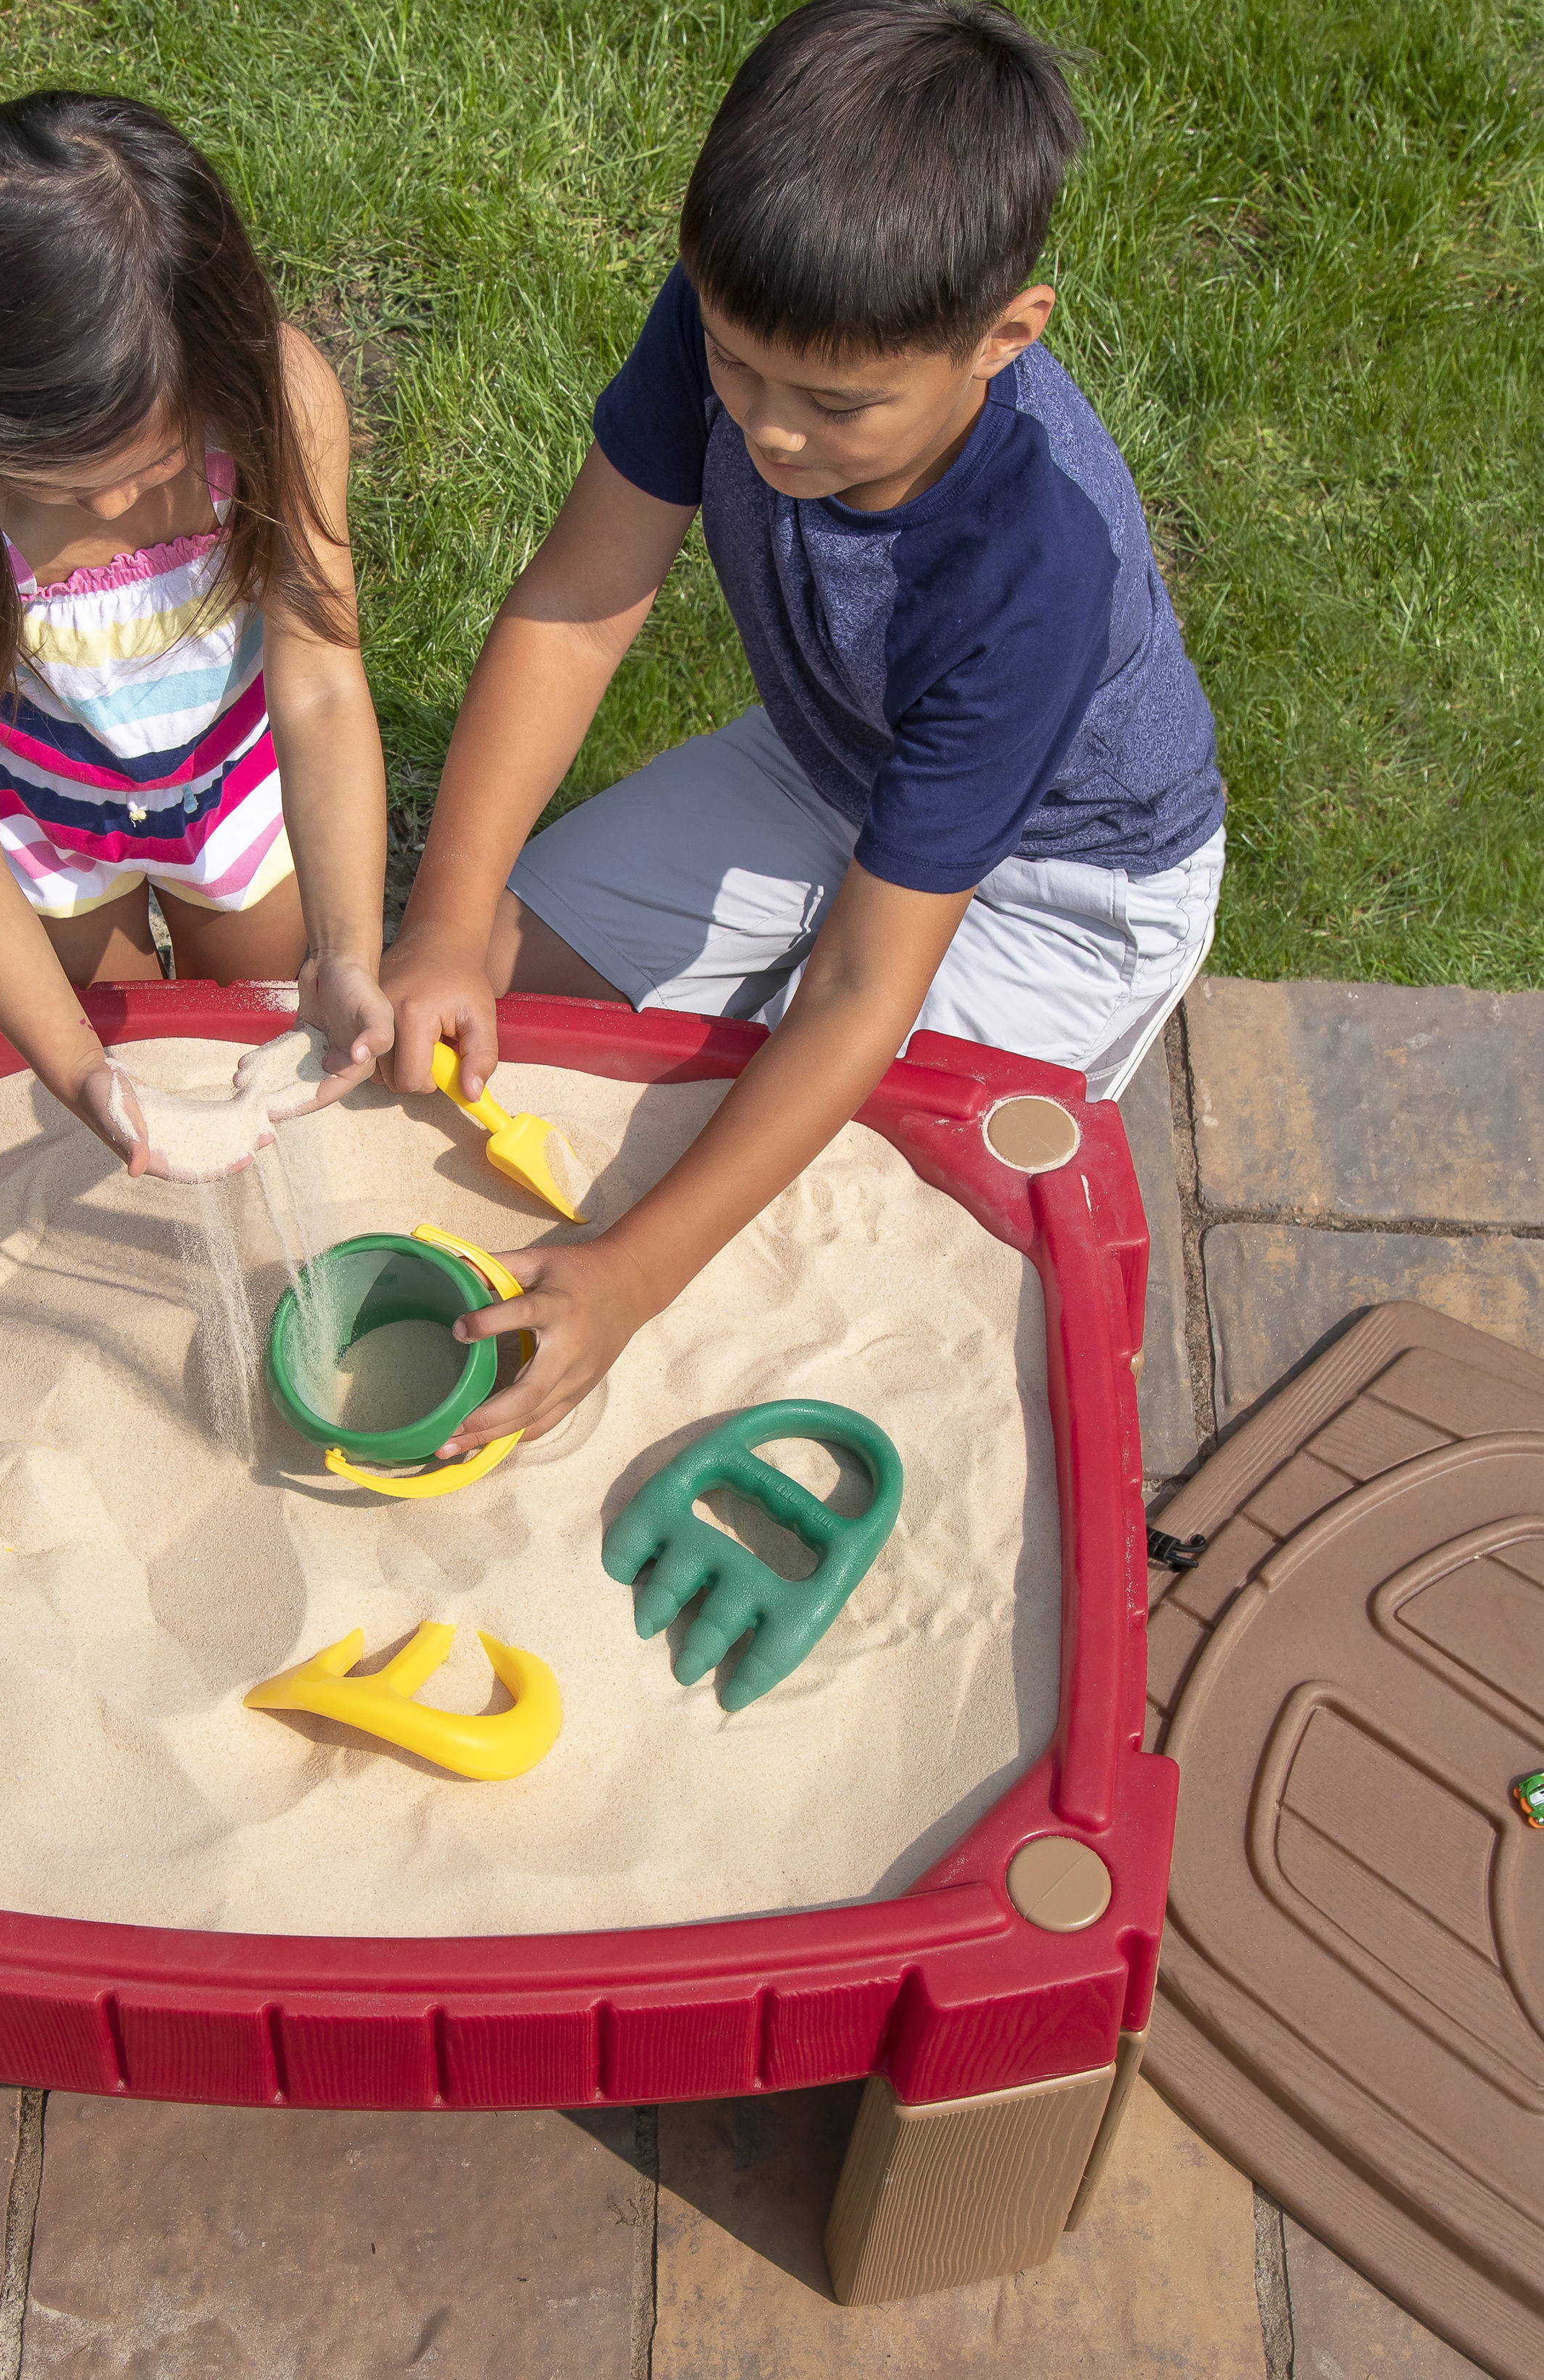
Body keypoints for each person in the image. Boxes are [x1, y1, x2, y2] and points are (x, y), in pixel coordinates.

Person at [380, 0, 1225, 1451]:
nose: (767, 432)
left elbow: (853, 987)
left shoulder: (1034, 571)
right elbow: (582, 602)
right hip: (829, 758)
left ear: (1003, 336)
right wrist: (448, 920)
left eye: (837, 406)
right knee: (496, 988)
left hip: (1061, 887)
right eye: (733, 362)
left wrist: (635, 1272)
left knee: (834, 1202)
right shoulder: (755, 310)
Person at [0, 91, 394, 1178]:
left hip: (239, 800)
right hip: (47, 834)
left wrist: (348, 946)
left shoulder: (277, 409)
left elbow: (324, 687)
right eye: (60, 486)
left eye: (153, 468)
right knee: (113, 1033)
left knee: (243, 1018)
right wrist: (82, 1073)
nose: (113, 509)